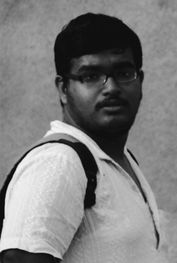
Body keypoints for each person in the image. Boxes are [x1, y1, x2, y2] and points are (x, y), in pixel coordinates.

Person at [0, 13, 166, 263]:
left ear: (140, 81)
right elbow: (19, 260)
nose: (111, 87)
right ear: (63, 89)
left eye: (123, 72)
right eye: (90, 76)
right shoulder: (58, 162)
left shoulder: (119, 160)